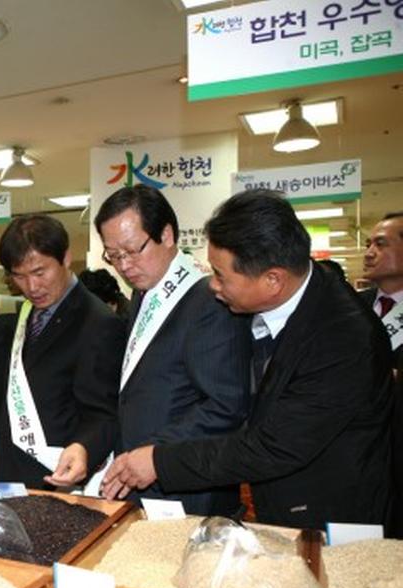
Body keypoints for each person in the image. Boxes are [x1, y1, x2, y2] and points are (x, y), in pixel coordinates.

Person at [103, 189, 394, 529]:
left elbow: (272, 446)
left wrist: (160, 461)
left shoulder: (342, 340)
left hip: (332, 521)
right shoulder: (295, 295)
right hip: (282, 507)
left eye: (221, 276)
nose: (213, 286)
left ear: (273, 280)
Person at [82, 185, 251, 516]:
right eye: (113, 255)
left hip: (187, 486)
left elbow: (226, 404)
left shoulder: (208, 301)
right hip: (140, 482)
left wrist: (156, 454)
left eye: (133, 250)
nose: (124, 265)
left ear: (167, 235)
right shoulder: (143, 295)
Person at [0, 215, 124, 489]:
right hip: (9, 473)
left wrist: (84, 448)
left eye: (40, 272)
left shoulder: (98, 322)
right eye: (19, 276)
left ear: (65, 258)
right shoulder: (23, 316)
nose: (31, 287)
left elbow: (104, 413)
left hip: (58, 479)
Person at [361, 211, 403, 536]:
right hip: (362, 459)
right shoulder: (351, 306)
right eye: (368, 244)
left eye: (380, 244)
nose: (369, 252)